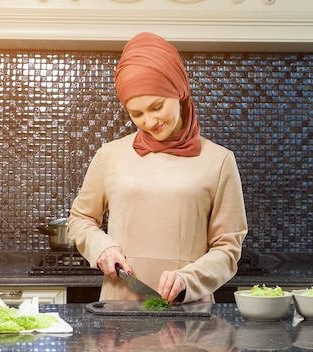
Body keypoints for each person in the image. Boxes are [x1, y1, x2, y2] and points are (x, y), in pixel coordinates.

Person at [67, 32, 248, 303]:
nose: (150, 122)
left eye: (157, 107)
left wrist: (190, 279)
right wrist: (102, 248)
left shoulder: (219, 160)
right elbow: (80, 220)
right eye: (136, 113)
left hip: (188, 310)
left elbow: (228, 249)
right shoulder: (110, 155)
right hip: (119, 306)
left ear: (179, 92)